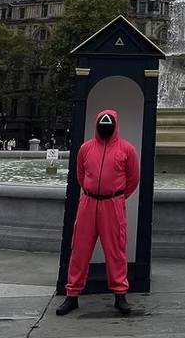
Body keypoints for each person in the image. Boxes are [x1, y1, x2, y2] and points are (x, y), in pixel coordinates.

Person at [57, 109, 140, 317]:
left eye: (109, 123)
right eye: (103, 124)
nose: (105, 127)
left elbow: (133, 178)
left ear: (116, 125)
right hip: (88, 202)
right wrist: (92, 191)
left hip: (112, 203)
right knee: (79, 249)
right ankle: (72, 294)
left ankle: (120, 294)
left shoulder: (127, 150)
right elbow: (80, 174)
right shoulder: (85, 149)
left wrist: (118, 196)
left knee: (116, 250)